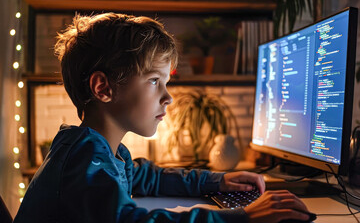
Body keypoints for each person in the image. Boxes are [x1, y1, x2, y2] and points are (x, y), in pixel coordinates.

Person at [14, 13, 312, 223]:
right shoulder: (85, 159)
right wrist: (243, 217)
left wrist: (217, 180)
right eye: (155, 81)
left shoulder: (104, 151)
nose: (167, 97)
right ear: (103, 88)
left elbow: (147, 176)